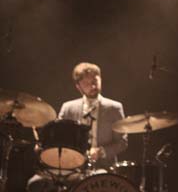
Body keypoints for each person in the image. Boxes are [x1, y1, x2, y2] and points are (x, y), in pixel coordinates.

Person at [27, 62, 127, 191]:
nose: (93, 85)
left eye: (95, 81)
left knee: (98, 182)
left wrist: (101, 152)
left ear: (100, 79)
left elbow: (122, 142)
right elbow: (57, 138)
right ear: (78, 87)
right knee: (35, 183)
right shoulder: (68, 108)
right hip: (70, 167)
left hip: (101, 166)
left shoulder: (114, 108)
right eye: (87, 83)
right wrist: (44, 146)